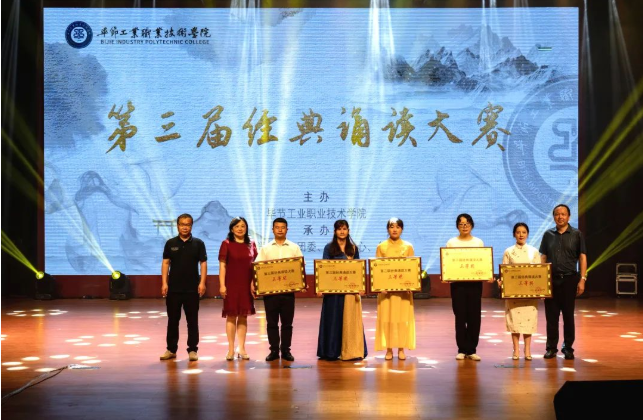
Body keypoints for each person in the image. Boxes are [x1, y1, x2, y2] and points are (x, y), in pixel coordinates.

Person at [539, 204, 587, 360]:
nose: (560, 217)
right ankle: (551, 348)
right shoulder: (548, 235)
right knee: (551, 316)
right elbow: (543, 257)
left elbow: (582, 257)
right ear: (554, 217)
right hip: (551, 280)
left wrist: (582, 279)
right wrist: (542, 281)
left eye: (563, 214)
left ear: (569, 216)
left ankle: (568, 348)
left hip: (569, 280)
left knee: (568, 316)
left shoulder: (577, 234)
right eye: (557, 214)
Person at [317, 220, 368, 361]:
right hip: (333, 292)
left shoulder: (353, 248)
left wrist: (360, 287)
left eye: (344, 229)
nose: (342, 231)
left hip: (349, 292)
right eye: (339, 229)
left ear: (348, 231)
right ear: (335, 232)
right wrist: (321, 288)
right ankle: (331, 351)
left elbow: (358, 270)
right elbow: (323, 269)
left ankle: (351, 350)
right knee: (333, 320)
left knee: (349, 321)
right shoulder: (329, 248)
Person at [160, 213, 207, 362]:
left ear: (191, 226)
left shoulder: (198, 243)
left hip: (192, 289)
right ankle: (171, 349)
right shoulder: (170, 243)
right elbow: (165, 263)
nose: (185, 227)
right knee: (173, 320)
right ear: (177, 226)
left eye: (188, 224)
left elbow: (203, 263)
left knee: (192, 321)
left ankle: (192, 349)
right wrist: (164, 283)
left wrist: (202, 282)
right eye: (182, 224)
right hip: (173, 289)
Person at [255, 218, 304, 362]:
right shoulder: (266, 249)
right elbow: (258, 268)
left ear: (287, 229)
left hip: (288, 293)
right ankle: (274, 350)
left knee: (287, 324)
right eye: (277, 227)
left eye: (283, 227)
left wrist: (301, 283)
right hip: (270, 294)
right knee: (271, 323)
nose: (280, 230)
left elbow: (300, 267)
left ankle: (286, 350)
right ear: (273, 230)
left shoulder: (294, 247)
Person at [446, 213, 491, 362]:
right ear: (457, 226)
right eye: (461, 224)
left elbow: (482, 263)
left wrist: (487, 274)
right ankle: (461, 349)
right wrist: (446, 275)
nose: (464, 226)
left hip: (474, 285)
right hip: (457, 285)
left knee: (474, 316)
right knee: (460, 316)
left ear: (472, 225)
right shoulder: (451, 243)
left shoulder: (478, 242)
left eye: (467, 224)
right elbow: (448, 263)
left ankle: (471, 349)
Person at [375, 217, 416, 361]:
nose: (394, 229)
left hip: (403, 292)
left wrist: (411, 285)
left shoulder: (408, 246)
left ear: (402, 229)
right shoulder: (381, 246)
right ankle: (389, 349)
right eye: (392, 227)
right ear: (388, 229)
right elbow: (377, 269)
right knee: (387, 319)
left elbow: (412, 268)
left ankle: (401, 349)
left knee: (402, 319)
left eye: (398, 227)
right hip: (386, 292)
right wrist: (379, 286)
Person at [498, 223, 541, 361]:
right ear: (514, 234)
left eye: (524, 232)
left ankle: (527, 350)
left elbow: (539, 273)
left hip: (530, 293)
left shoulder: (534, 251)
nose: (521, 235)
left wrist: (542, 289)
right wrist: (501, 282)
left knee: (529, 322)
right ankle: (515, 349)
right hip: (513, 294)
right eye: (518, 232)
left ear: (527, 234)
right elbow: (504, 271)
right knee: (515, 322)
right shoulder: (509, 251)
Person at [218, 217, 258, 361]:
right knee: (231, 316)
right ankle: (230, 349)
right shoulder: (226, 244)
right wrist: (222, 285)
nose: (240, 229)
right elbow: (222, 266)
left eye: (243, 226)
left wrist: (254, 282)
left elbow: (255, 265)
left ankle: (242, 348)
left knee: (243, 316)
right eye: (237, 226)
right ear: (232, 229)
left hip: (246, 285)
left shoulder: (252, 244)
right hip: (231, 284)